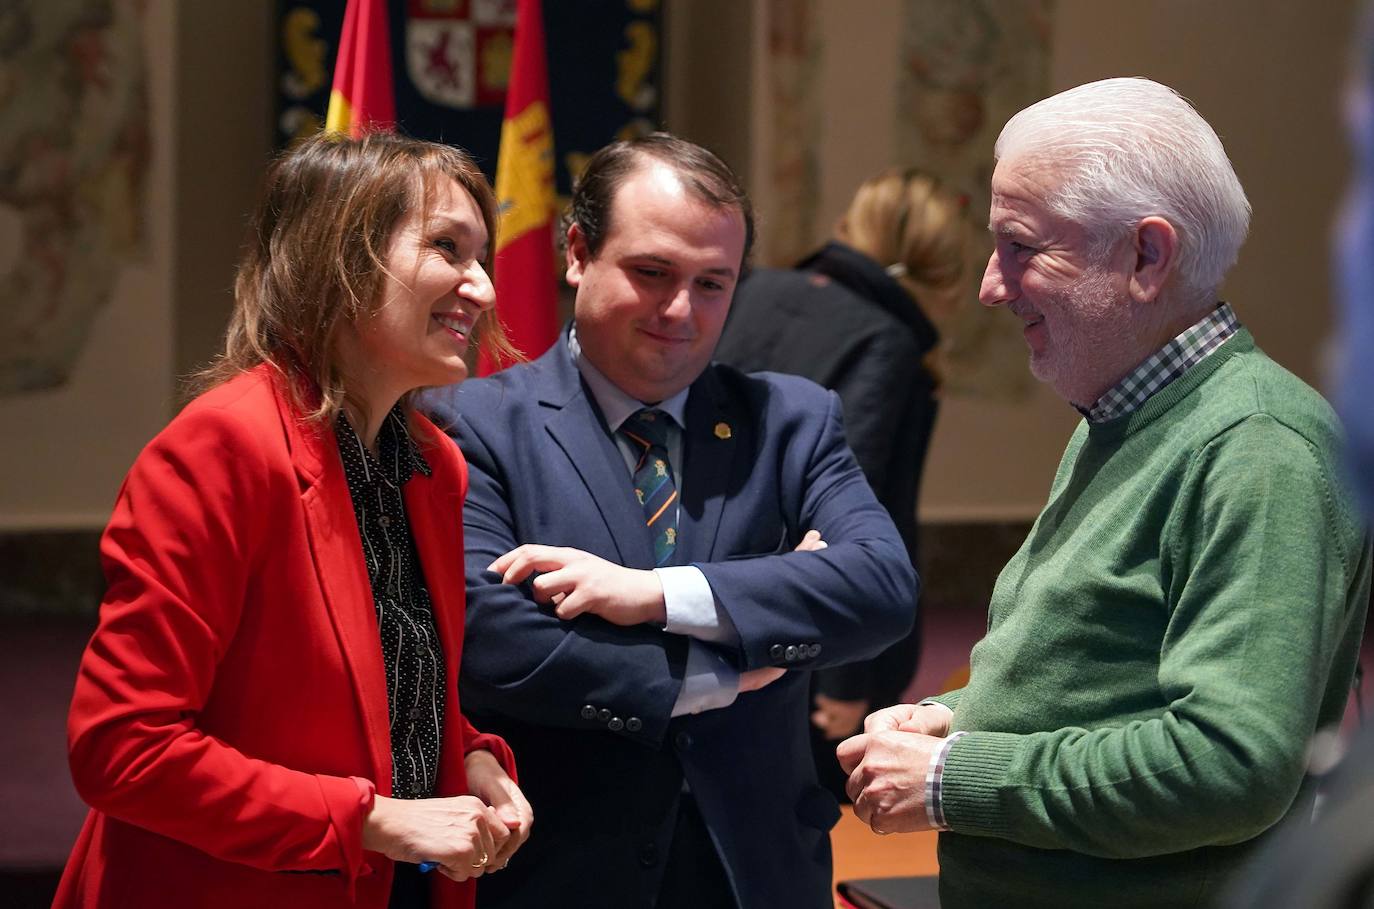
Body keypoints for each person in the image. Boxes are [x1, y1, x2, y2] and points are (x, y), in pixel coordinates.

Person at [837, 77, 1373, 909]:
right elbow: (1094, 670)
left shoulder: (1257, 445)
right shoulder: (1124, 413)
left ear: (1146, 257)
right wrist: (959, 715)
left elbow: (1230, 764)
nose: (989, 285)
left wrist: (955, 776)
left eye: (1021, 245)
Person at [423, 133, 917, 909]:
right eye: (652, 273)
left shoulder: (789, 420)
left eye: (713, 283)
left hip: (756, 874)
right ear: (578, 252)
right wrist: (723, 663)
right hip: (558, 873)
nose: (681, 311)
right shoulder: (469, 423)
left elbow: (880, 587)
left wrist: (658, 594)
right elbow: (492, 637)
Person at [54, 131, 532, 909]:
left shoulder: (433, 464)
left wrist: (473, 760)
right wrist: (372, 818)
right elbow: (123, 749)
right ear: (342, 258)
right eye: (448, 248)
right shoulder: (223, 447)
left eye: (482, 257)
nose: (479, 287)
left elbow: (382, 690)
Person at [714, 167, 967, 799]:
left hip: (707, 595)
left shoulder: (752, 287)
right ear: (944, 276)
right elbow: (860, 504)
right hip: (809, 632)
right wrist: (847, 677)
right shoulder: (889, 342)